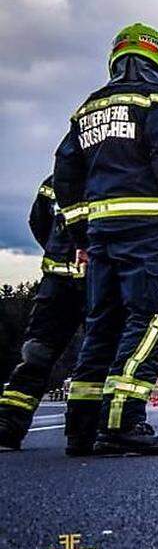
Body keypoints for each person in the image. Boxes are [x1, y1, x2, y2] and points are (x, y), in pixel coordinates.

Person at [53, 22, 158, 455]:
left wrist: (80, 232)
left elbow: (65, 175)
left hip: (100, 237)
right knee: (152, 322)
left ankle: (80, 429)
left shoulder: (88, 108)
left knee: (103, 326)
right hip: (147, 233)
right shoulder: (156, 100)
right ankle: (121, 421)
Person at [0, 177, 88, 450]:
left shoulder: (56, 178)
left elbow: (38, 221)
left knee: (37, 353)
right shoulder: (112, 170)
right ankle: (83, 428)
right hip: (96, 280)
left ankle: (8, 425)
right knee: (97, 352)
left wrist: (57, 249)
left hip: (57, 280)